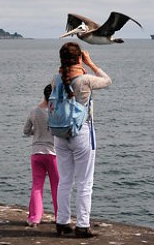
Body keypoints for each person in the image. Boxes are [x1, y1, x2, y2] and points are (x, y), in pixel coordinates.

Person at [52, 42, 112, 238]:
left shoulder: (56, 79)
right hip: (81, 133)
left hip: (60, 135)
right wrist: (91, 63)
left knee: (65, 181)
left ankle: (62, 222)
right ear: (79, 58)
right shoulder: (85, 80)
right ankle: (83, 225)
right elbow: (107, 80)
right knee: (85, 182)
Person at [23, 83, 59, 227]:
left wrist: (36, 132)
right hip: (53, 154)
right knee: (57, 186)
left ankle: (34, 218)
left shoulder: (34, 111)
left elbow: (26, 131)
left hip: (36, 153)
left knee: (37, 186)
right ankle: (60, 217)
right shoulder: (56, 113)